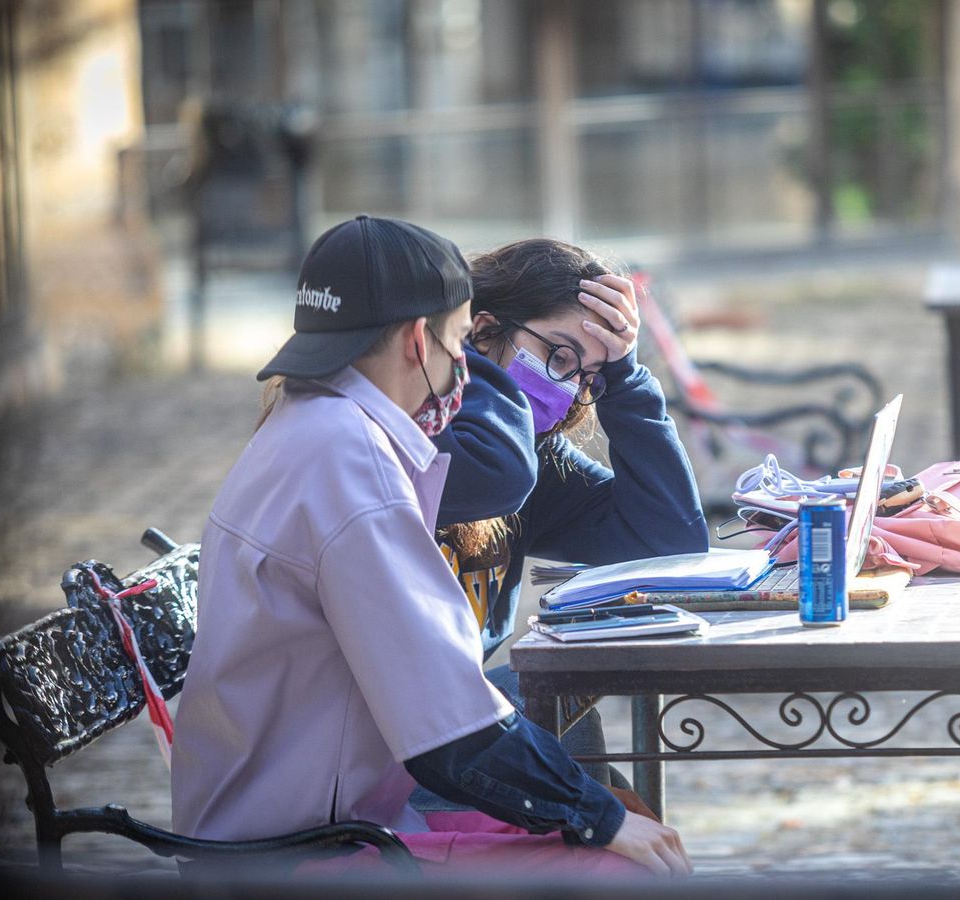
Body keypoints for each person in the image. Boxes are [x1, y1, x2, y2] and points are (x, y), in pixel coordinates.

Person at [170, 215, 691, 878]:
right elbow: (447, 725)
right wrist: (599, 819)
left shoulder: (321, 421)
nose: (461, 381)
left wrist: (625, 377)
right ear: (424, 341)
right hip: (302, 847)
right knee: (625, 866)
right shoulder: (356, 461)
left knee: (590, 783)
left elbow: (669, 535)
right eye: (460, 348)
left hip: (332, 800)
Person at [415, 237, 710, 806]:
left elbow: (669, 540)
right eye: (559, 356)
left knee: (591, 766)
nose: (569, 387)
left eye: (587, 374)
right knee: (552, 717)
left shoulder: (534, 456)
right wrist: (478, 372)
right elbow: (495, 474)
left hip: (451, 728)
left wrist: (626, 379)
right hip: (382, 753)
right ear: (482, 330)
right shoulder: (412, 435)